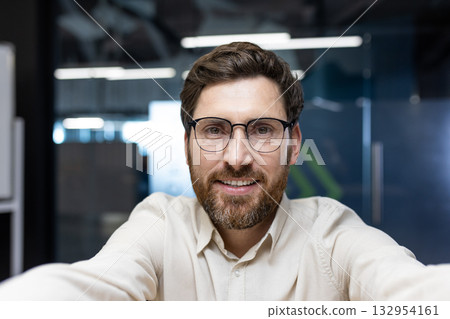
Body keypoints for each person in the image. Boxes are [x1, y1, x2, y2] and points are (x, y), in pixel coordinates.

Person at [0, 42, 449, 300]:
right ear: (188, 145)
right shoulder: (158, 226)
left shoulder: (332, 235)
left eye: (262, 130)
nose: (237, 156)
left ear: (293, 145)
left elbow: (412, 290)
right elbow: (87, 290)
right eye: (214, 130)